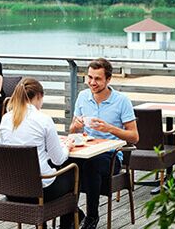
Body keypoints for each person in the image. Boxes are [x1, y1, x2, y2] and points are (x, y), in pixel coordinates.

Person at [69, 58, 139, 229]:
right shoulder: (82, 97)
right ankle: (73, 213)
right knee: (64, 164)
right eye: (90, 77)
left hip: (112, 156)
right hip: (86, 149)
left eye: (97, 79)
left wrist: (110, 129)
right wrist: (75, 126)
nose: (92, 82)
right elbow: (73, 130)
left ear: (108, 79)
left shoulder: (122, 101)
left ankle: (92, 217)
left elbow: (134, 137)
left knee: (91, 166)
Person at [0, 78, 77, 228]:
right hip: (40, 192)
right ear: (39, 96)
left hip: (11, 190)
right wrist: (67, 146)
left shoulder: (5, 119)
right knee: (73, 172)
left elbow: (8, 151)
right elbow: (59, 159)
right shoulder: (43, 120)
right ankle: (68, 224)